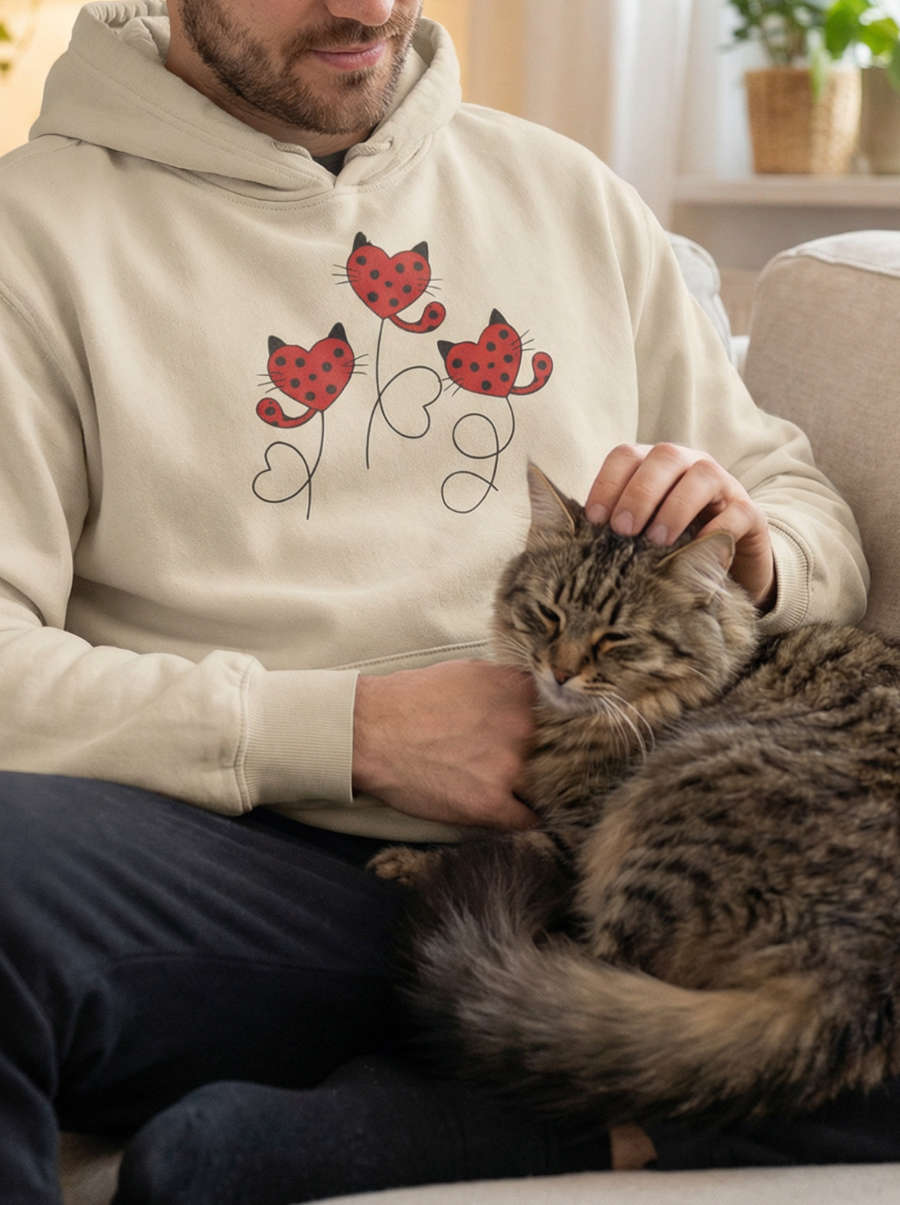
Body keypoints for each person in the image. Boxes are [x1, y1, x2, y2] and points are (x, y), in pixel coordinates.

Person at [0, 1, 875, 1202]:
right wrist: (352, 731)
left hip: (625, 851)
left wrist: (750, 550)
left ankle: (495, 1122)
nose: (367, 9)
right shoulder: (31, 235)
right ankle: (585, 1121)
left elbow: (805, 508)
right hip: (259, 869)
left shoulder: (569, 193)